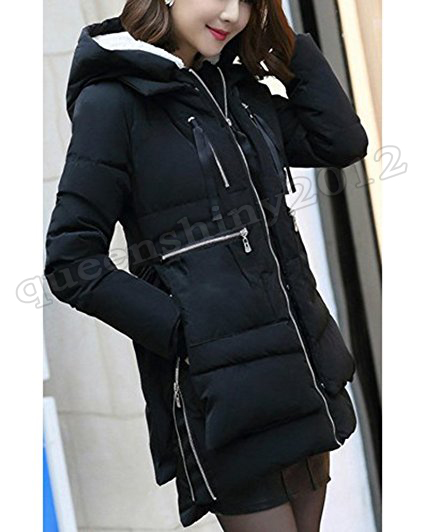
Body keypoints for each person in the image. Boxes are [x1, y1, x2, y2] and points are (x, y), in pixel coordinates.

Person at [44, 0, 368, 530]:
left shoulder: (237, 92)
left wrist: (289, 47)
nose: (234, 14)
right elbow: (71, 261)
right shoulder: (114, 102)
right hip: (223, 403)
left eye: (250, 1)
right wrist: (186, 332)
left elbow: (341, 141)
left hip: (302, 379)